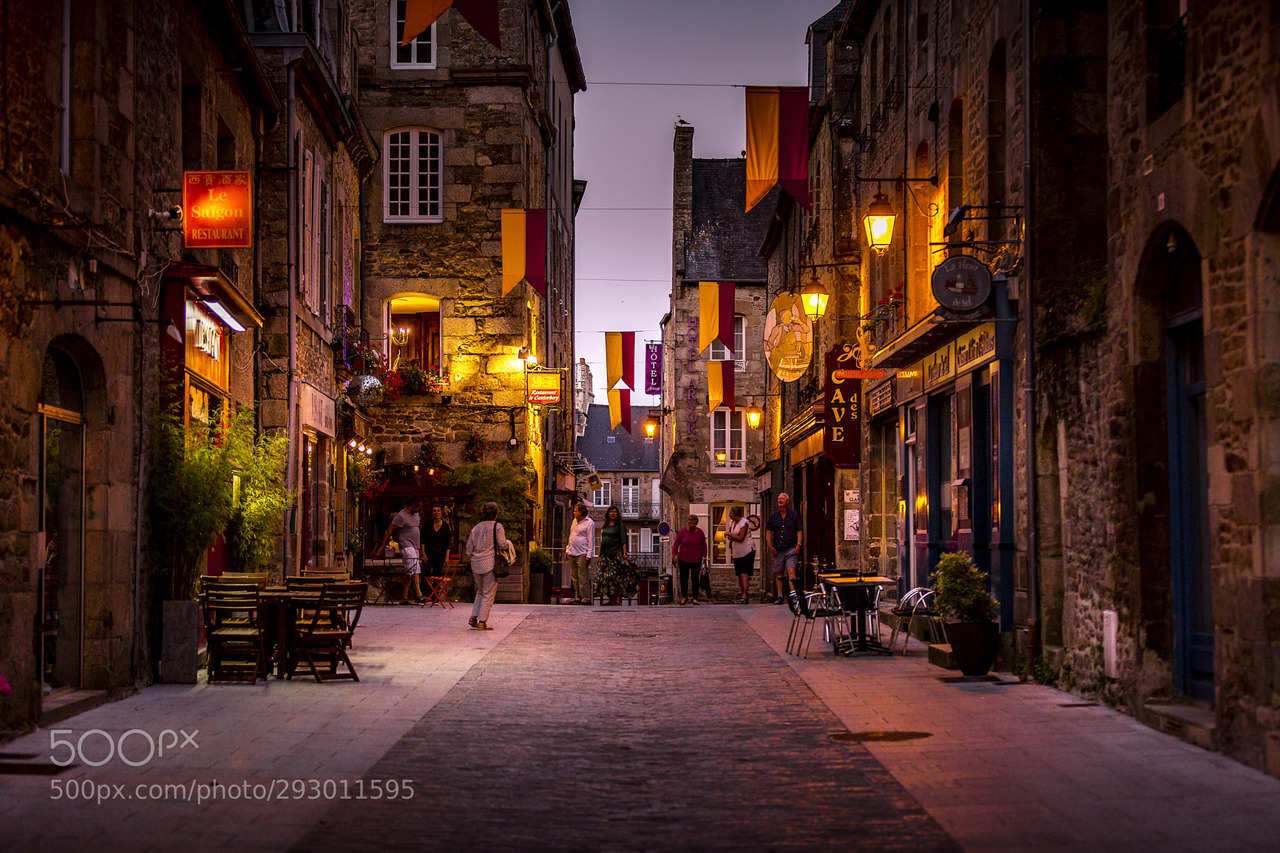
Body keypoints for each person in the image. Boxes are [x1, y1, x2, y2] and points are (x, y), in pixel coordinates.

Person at [463, 502, 511, 630]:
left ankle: (473, 617)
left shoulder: (476, 528)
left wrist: (474, 555)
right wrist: (508, 544)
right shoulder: (497, 526)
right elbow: (502, 544)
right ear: (495, 514)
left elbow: (468, 548)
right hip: (490, 563)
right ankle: (482, 621)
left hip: (476, 564)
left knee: (480, 590)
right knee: (488, 593)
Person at [377, 496, 425, 604]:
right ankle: (418, 593)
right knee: (415, 567)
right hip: (406, 544)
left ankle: (404, 596)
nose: (419, 509)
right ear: (412, 505)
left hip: (415, 545)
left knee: (409, 571)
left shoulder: (416, 514)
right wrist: (382, 546)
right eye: (417, 506)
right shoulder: (401, 516)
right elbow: (390, 530)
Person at [765, 492, 804, 610]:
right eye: (779, 499)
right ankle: (780, 596)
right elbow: (768, 531)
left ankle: (793, 595)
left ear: (787, 501)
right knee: (779, 573)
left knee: (791, 570)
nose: (780, 500)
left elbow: (799, 530)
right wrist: (769, 546)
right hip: (778, 548)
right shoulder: (774, 516)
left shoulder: (793, 515)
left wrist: (798, 544)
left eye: (782, 499)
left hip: (791, 548)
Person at [596, 505, 637, 606]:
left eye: (615, 512)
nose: (613, 513)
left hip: (615, 554)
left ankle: (618, 600)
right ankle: (611, 599)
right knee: (607, 578)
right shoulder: (605, 526)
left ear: (617, 514)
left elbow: (624, 540)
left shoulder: (620, 525)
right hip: (605, 555)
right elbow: (602, 542)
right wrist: (599, 555)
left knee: (616, 577)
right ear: (608, 514)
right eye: (611, 512)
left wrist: (625, 553)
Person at [671, 514, 707, 605]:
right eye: (690, 523)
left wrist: (705, 557)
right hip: (683, 558)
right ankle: (684, 597)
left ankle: (695, 598)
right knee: (684, 578)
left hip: (696, 558)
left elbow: (704, 545)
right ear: (687, 522)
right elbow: (676, 544)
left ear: (696, 524)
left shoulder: (700, 533)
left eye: (694, 524)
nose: (692, 525)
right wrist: (673, 555)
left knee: (695, 579)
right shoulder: (682, 532)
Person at [565, 503, 595, 605]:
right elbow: (571, 535)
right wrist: (567, 549)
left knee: (582, 576)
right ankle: (577, 596)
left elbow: (591, 540)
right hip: (572, 551)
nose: (573, 512)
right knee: (574, 576)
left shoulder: (589, 523)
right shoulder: (574, 521)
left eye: (575, 510)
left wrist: (589, 555)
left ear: (581, 512)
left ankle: (585, 598)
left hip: (582, 552)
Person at [726, 505, 755, 605]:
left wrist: (730, 535)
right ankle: (742, 593)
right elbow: (733, 536)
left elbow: (741, 537)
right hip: (737, 551)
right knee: (739, 573)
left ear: (735, 514)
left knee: (744, 572)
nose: (729, 515)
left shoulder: (744, 523)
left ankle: (744, 595)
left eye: (730, 513)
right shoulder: (732, 523)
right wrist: (731, 536)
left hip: (746, 550)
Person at [422, 504, 453, 581]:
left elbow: (448, 542)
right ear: (432, 513)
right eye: (434, 511)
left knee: (438, 575)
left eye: (438, 511)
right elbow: (422, 540)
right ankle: (425, 592)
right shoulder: (427, 525)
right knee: (425, 574)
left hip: (440, 554)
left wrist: (447, 556)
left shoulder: (445, 526)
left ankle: (436, 592)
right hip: (428, 553)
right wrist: (423, 554)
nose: (436, 513)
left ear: (441, 512)